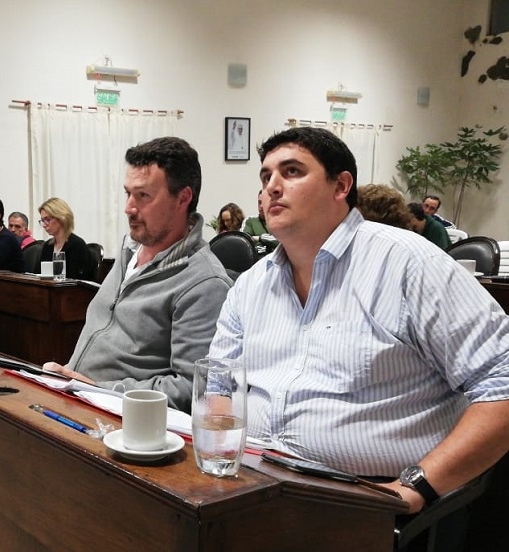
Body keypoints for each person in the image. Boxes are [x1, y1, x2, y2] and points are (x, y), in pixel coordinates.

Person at [207, 127, 509, 518]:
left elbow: (501, 382)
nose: (272, 188)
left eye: (292, 171)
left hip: (370, 502)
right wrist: (220, 461)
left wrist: (416, 487)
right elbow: (219, 384)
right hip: (255, 486)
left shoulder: (409, 264)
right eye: (266, 177)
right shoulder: (250, 285)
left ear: (341, 186)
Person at [43, 137, 232, 412]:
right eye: (128, 193)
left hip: (120, 418)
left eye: (143, 195)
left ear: (183, 198)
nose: (128, 207)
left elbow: (192, 388)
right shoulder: (130, 250)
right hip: (76, 400)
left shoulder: (204, 283)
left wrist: (99, 389)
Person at [36, 197, 96, 281]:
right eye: (42, 221)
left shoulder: (77, 245)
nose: (44, 225)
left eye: (48, 219)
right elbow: (38, 275)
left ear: (61, 218)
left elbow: (77, 280)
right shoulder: (47, 246)